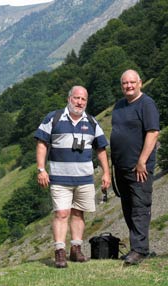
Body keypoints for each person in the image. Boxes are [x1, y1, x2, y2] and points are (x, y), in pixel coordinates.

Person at [34, 85, 111, 268]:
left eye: (83, 99)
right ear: (69, 98)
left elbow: (101, 149)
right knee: (61, 213)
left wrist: (106, 173)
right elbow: (42, 143)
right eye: (76, 98)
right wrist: (41, 169)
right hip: (60, 178)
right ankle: (59, 251)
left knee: (78, 213)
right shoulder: (54, 118)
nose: (79, 102)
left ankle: (76, 250)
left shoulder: (92, 122)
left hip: (84, 179)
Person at [110, 69, 160, 265]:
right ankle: (137, 247)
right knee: (128, 207)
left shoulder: (146, 104)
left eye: (132, 82)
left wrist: (142, 161)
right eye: (125, 83)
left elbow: (153, 132)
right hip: (121, 167)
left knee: (140, 207)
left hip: (139, 168)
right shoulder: (119, 106)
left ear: (140, 83)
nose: (129, 86)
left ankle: (139, 249)